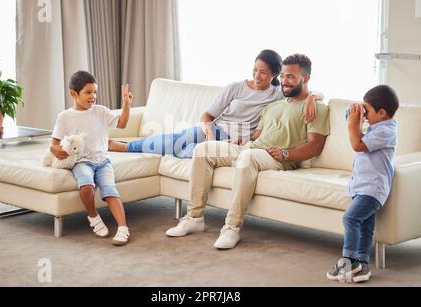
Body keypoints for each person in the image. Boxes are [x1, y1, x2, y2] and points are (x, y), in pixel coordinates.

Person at [165, 54, 330, 249]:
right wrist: (241, 140)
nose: (285, 81)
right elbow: (257, 135)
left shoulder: (316, 109)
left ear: (306, 78)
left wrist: (287, 154)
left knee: (247, 157)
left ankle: (231, 227)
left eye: (291, 77)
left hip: (278, 157)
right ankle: (194, 217)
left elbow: (315, 146)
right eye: (284, 76)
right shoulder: (274, 105)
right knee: (203, 149)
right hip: (251, 149)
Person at [108, 49, 320, 159]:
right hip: (214, 129)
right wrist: (209, 133)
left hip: (235, 140)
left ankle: (136, 147)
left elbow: (308, 91)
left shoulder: (277, 94)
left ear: (275, 74)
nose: (257, 75)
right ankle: (126, 147)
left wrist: (312, 97)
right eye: (255, 69)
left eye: (263, 72)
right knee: (176, 139)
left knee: (186, 149)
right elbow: (206, 117)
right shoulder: (236, 87)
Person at [49, 71, 133, 246]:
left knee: (110, 190)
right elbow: (53, 143)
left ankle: (123, 228)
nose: (93, 96)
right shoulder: (65, 117)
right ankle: (94, 217)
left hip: (103, 161)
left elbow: (122, 124)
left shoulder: (100, 111)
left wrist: (126, 104)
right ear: (74, 93)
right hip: (81, 161)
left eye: (95, 92)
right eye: (88, 92)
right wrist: (56, 150)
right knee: (86, 185)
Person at [326, 85, 399, 283]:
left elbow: (358, 145)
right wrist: (355, 112)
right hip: (362, 186)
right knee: (366, 226)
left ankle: (349, 260)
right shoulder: (377, 126)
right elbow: (352, 124)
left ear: (382, 113)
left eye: (368, 110)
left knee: (350, 219)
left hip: (373, 188)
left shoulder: (386, 131)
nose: (365, 114)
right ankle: (363, 265)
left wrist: (353, 124)